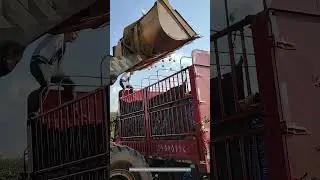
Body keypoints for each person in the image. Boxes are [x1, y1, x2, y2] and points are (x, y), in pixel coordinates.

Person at [29, 32, 78, 98]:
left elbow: (58, 66)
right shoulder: (58, 36)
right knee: (46, 85)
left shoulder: (63, 45)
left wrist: (63, 77)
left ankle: (67, 101)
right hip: (40, 63)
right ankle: (39, 102)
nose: (75, 37)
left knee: (69, 84)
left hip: (52, 69)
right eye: (75, 34)